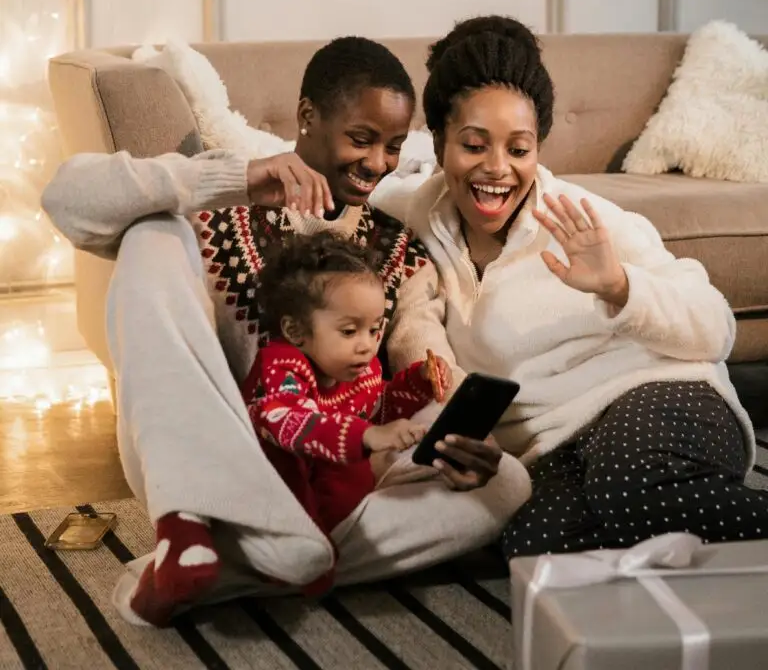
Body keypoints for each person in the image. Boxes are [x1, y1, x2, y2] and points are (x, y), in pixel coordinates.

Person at [42, 35, 530, 626]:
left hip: (328, 484)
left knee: (507, 483)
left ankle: (249, 563)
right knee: (150, 234)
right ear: (307, 117)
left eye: (394, 146)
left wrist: (456, 433)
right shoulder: (218, 201)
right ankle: (201, 532)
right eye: (361, 139)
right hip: (206, 472)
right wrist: (233, 178)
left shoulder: (397, 246)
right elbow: (67, 199)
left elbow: (422, 355)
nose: (378, 163)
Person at [380, 15, 768, 560]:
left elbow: (717, 327)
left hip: (662, 399)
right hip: (559, 446)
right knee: (529, 545)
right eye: (474, 145)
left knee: (629, 484)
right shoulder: (414, 216)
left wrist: (618, 286)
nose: (498, 170)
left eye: (519, 149)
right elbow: (333, 205)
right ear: (439, 142)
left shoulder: (586, 219)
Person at [245, 232, 451, 553]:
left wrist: (418, 381)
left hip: (343, 500)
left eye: (374, 329)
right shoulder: (280, 364)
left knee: (441, 457)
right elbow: (288, 423)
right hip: (277, 501)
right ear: (295, 331)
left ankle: (337, 550)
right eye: (349, 331)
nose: (367, 345)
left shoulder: (361, 368)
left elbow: (377, 411)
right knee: (341, 476)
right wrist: (368, 436)